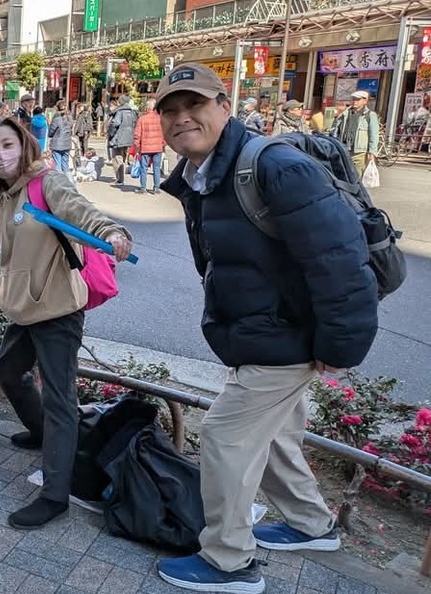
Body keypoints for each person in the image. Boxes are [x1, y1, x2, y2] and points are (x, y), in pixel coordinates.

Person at [152, 62, 379, 594]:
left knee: (225, 439)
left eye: (196, 105)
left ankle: (229, 562)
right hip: (264, 331)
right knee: (274, 436)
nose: (183, 118)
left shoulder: (273, 166)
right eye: (171, 111)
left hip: (286, 337)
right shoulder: (203, 172)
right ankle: (312, 525)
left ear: (224, 106)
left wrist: (339, 346)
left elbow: (341, 259)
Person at [0, 118, 132, 529]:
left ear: (24, 146)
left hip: (57, 309)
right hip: (25, 308)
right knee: (8, 369)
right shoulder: (5, 195)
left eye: (7, 145)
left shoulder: (48, 182)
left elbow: (82, 210)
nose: (0, 155)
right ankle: (42, 433)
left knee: (61, 398)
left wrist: (110, 230)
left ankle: (55, 493)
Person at [330, 90, 381, 177]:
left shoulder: (370, 115)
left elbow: (374, 134)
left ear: (365, 101)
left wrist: (372, 152)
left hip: (359, 152)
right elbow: (335, 130)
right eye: (353, 99)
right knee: (343, 176)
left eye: (358, 99)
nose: (354, 101)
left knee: (356, 177)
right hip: (344, 149)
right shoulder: (345, 113)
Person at [132, 98, 165, 194]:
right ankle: (156, 188)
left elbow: (137, 134)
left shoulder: (142, 119)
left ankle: (143, 188)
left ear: (147, 107)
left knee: (144, 168)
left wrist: (137, 146)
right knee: (156, 168)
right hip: (158, 147)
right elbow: (165, 133)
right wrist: (163, 144)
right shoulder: (160, 118)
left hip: (145, 147)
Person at [107, 94, 138, 185]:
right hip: (128, 138)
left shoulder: (119, 112)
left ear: (120, 102)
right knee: (123, 157)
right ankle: (121, 178)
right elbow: (134, 124)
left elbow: (115, 124)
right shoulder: (132, 112)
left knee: (117, 158)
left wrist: (111, 134)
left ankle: (120, 179)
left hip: (118, 138)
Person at [48, 100, 73, 177]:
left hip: (57, 143)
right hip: (67, 143)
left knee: (57, 164)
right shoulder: (70, 117)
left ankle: (60, 183)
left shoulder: (57, 118)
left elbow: (51, 132)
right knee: (65, 165)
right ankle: (70, 182)